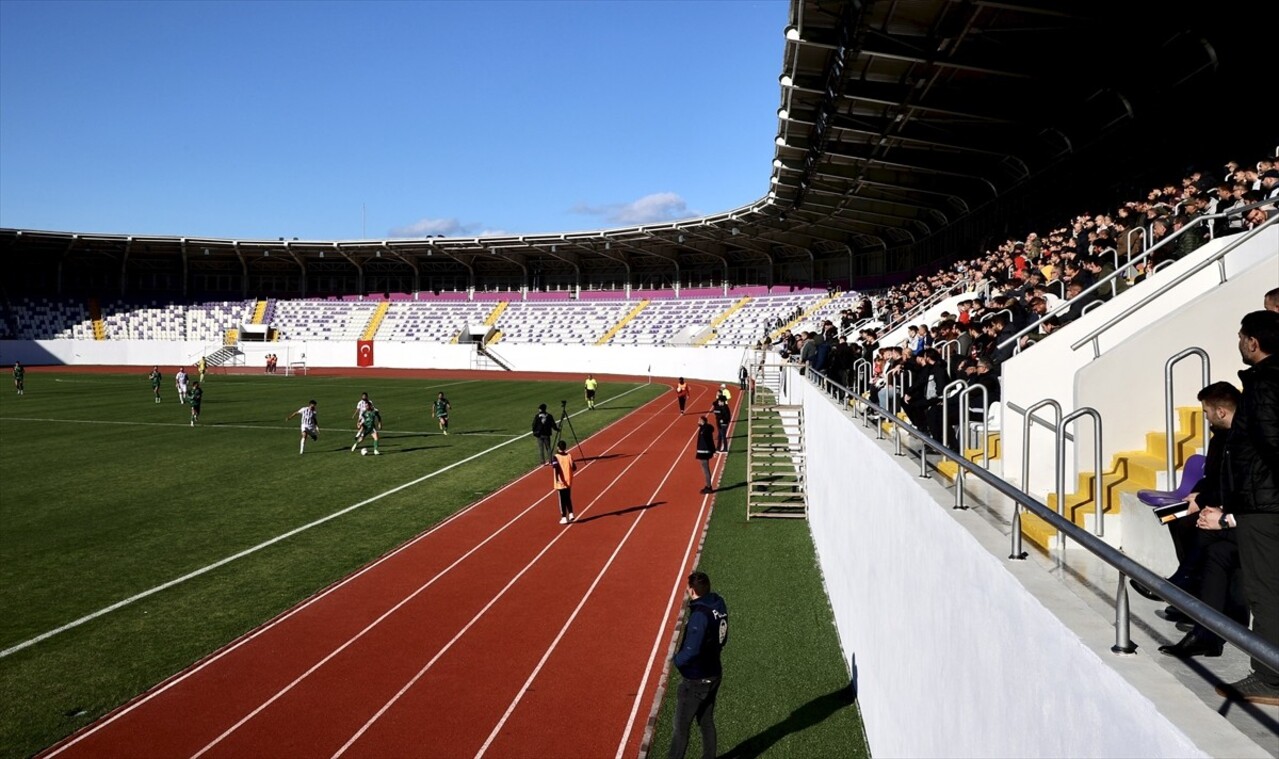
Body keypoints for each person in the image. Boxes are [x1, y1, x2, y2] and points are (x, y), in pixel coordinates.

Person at [1215, 310, 1279, 706]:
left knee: (1266, 590)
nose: (1240, 343)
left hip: (1265, 504)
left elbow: (1272, 442)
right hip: (1267, 500)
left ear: (1252, 343)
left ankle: (1270, 678)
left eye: (1242, 337)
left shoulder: (1263, 384)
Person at [667, 570, 728, 759]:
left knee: (680, 730)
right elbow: (724, 637)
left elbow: (691, 650)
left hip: (696, 680)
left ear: (692, 591)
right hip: (714, 672)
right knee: (706, 721)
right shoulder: (718, 603)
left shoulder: (699, 616)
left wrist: (676, 660)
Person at [551, 440, 576, 524]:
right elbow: (574, 467)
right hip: (569, 480)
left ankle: (564, 517)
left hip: (561, 482)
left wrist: (558, 479)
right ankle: (571, 513)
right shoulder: (569, 455)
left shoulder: (556, 457)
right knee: (568, 498)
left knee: (562, 500)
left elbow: (556, 468)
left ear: (558, 447)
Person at [695, 415, 716, 494]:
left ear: (702, 421)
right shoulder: (704, 428)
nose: (698, 422)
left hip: (704, 452)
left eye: (699, 420)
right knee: (705, 469)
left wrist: (713, 451)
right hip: (703, 451)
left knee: (705, 470)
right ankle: (708, 485)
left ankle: (709, 487)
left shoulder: (705, 430)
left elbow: (709, 441)